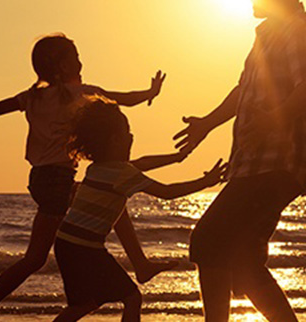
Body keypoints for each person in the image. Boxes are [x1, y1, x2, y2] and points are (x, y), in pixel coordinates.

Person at [0, 34, 184, 321]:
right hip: (57, 181)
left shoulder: (31, 97)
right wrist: (149, 93)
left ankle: (139, 263)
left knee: (103, 202)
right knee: (45, 249)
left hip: (41, 179)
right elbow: (120, 99)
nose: (81, 62)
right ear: (62, 65)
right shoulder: (76, 92)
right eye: (76, 57)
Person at [173, 0, 306, 321]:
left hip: (278, 162)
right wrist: (206, 124)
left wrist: (274, 118)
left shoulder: (305, 31)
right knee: (244, 262)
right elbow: (243, 91)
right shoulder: (269, 37)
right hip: (253, 163)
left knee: (209, 240)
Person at [53, 97, 227, 322]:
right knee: (132, 297)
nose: (132, 137)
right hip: (86, 248)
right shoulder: (123, 174)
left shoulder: (98, 169)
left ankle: (142, 266)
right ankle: (142, 267)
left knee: (84, 303)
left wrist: (177, 158)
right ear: (116, 141)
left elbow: (142, 162)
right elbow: (167, 192)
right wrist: (205, 182)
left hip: (66, 244)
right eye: (128, 133)